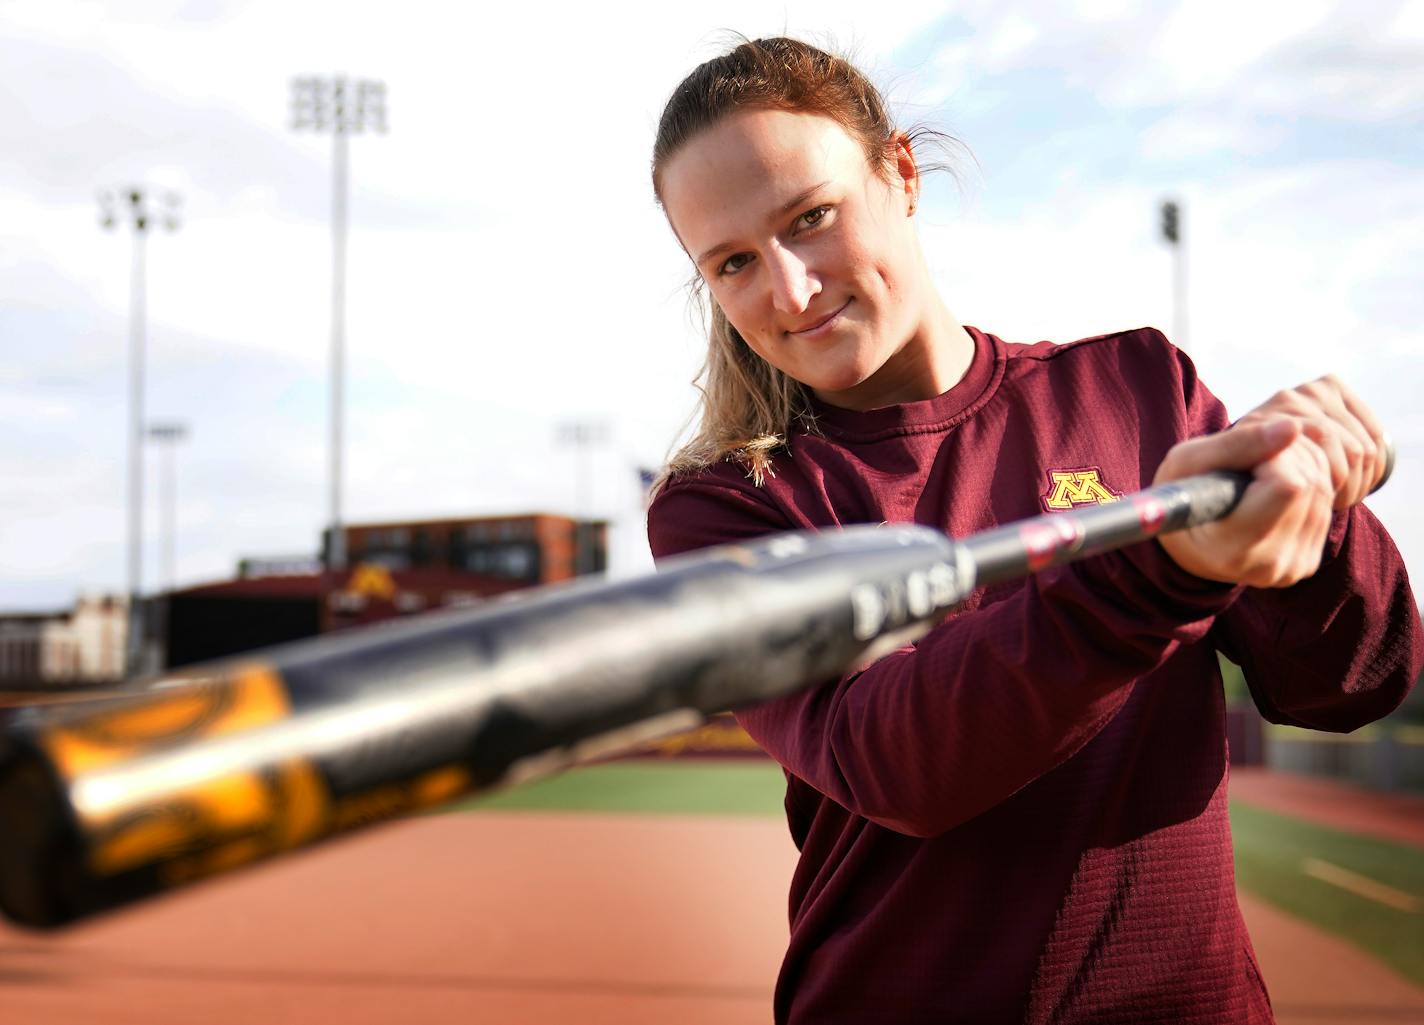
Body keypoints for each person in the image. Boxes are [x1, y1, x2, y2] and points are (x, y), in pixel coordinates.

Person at [643, 36, 1423, 1025]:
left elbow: (1347, 681)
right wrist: (1163, 571)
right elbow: (895, 765)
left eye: (811, 217)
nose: (788, 289)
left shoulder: (1136, 387)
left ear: (900, 172)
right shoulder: (726, 506)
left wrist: (1317, 517)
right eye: (734, 262)